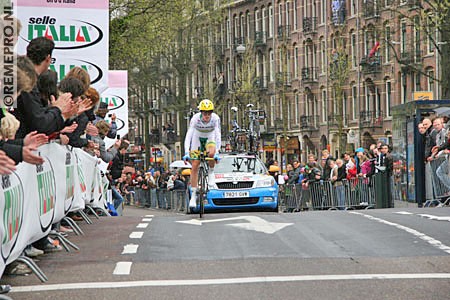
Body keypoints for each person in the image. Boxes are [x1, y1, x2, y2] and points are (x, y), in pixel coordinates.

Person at [183, 99, 221, 208]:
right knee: (195, 165)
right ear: (201, 112)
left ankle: (211, 171)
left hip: (210, 137)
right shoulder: (195, 119)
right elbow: (189, 134)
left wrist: (217, 152)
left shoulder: (215, 119)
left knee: (211, 153)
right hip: (197, 137)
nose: (207, 115)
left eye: (209, 112)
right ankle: (193, 195)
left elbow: (218, 134)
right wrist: (186, 151)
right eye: (205, 113)